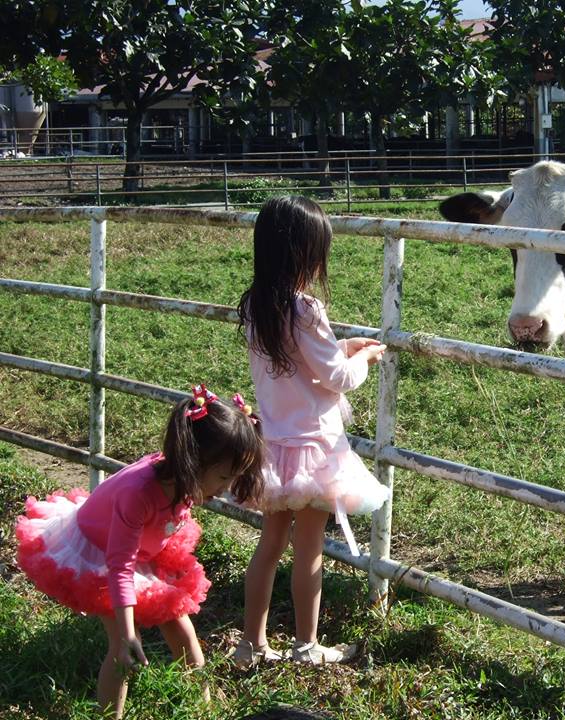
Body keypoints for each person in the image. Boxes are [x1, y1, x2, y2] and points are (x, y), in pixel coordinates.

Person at [15, 385, 264, 719]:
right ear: (195, 461)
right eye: (223, 476)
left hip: (143, 545)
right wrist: (130, 631)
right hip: (101, 554)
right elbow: (119, 566)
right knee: (122, 648)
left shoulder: (184, 477)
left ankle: (205, 706)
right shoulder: (138, 494)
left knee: (181, 626)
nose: (226, 488)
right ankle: (110, 715)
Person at [234, 195, 389, 669]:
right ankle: (306, 646)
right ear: (305, 253)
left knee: (268, 548)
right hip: (316, 452)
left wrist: (341, 345)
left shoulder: (256, 306)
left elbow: (296, 364)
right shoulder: (305, 308)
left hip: (275, 447)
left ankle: (251, 644)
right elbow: (336, 378)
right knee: (310, 551)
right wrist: (361, 357)